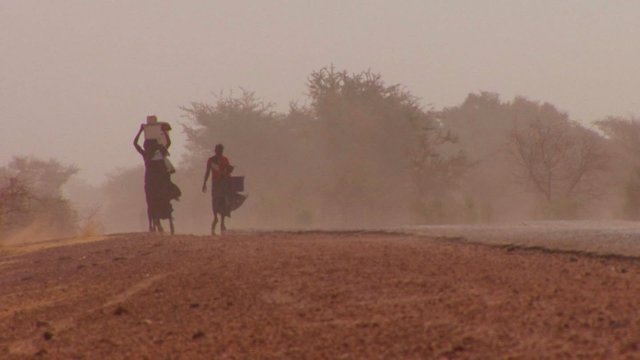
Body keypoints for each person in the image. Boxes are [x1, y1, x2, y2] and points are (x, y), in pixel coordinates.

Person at [134, 124, 179, 234]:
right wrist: (163, 131)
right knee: (165, 198)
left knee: (150, 203)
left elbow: (135, 143)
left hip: (150, 182)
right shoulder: (159, 153)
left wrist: (140, 131)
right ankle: (163, 221)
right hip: (160, 181)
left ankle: (153, 224)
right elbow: (168, 143)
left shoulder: (146, 154)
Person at [202, 144, 234, 235]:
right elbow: (207, 172)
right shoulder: (211, 160)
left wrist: (229, 169)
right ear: (215, 150)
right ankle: (216, 217)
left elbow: (228, 171)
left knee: (223, 202)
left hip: (223, 183)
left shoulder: (225, 160)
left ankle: (222, 222)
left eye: (221, 150)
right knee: (215, 201)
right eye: (219, 150)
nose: (220, 151)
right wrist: (204, 183)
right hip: (216, 183)